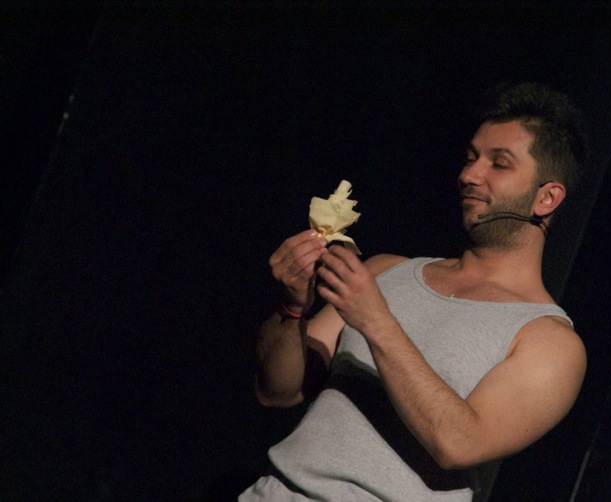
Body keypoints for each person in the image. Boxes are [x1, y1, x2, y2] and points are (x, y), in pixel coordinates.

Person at [240, 82, 589, 502]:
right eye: (471, 158)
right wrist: (293, 306)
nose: (468, 175)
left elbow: (459, 443)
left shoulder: (550, 342)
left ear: (546, 198)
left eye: (499, 164)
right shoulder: (387, 271)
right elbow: (277, 391)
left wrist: (376, 321)